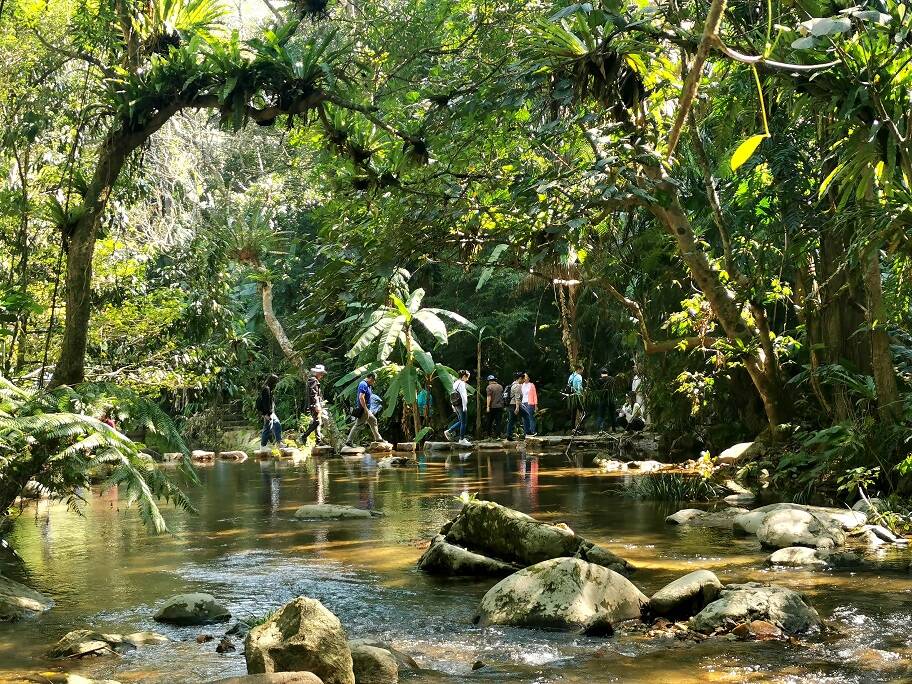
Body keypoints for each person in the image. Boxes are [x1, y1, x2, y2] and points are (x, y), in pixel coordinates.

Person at [345, 372, 384, 446]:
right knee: (358, 425)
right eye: (374, 380)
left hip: (367, 409)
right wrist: (365, 409)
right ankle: (349, 441)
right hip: (363, 409)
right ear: (370, 378)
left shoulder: (368, 385)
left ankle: (378, 438)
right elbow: (361, 397)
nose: (374, 382)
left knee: (373, 420)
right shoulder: (363, 384)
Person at [301, 364, 327, 444]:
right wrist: (317, 404)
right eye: (321, 373)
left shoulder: (314, 380)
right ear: (317, 373)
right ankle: (304, 436)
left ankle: (318, 440)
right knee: (317, 422)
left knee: (318, 422)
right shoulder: (313, 380)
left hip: (315, 404)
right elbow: (313, 393)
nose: (322, 375)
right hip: (314, 405)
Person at [444, 370, 471, 446]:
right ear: (464, 376)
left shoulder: (455, 383)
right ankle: (461, 439)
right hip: (461, 405)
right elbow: (463, 396)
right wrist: (465, 406)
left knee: (460, 421)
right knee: (464, 423)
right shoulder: (462, 383)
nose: (467, 379)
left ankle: (449, 431)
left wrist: (453, 405)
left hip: (456, 404)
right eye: (467, 377)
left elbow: (452, 394)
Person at [257, 374, 283, 447]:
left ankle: (279, 442)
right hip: (267, 413)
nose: (276, 384)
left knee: (277, 424)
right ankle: (263, 446)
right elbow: (265, 403)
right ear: (272, 381)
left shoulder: (268, 388)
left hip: (270, 412)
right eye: (276, 382)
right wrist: (266, 414)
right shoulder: (266, 389)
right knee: (267, 428)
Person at [505, 371, 531, 440]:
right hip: (515, 405)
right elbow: (517, 398)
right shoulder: (518, 386)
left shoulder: (513, 384)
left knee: (511, 420)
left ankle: (509, 435)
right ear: (520, 378)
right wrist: (517, 408)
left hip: (511, 404)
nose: (524, 380)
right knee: (526, 415)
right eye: (523, 379)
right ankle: (528, 432)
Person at [594, 368, 617, 432]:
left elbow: (597, 391)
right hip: (611, 399)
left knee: (601, 415)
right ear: (607, 373)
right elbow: (615, 389)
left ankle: (600, 430)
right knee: (612, 414)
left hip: (603, 399)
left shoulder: (599, 380)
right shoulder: (612, 379)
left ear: (601, 374)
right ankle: (614, 429)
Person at [567, 364, 584, 431]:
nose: (582, 371)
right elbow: (579, 387)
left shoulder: (571, 376)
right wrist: (581, 394)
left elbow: (568, 385)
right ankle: (580, 428)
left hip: (571, 396)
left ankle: (573, 428)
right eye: (582, 370)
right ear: (579, 369)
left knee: (573, 412)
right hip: (577, 396)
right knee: (583, 413)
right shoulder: (579, 377)